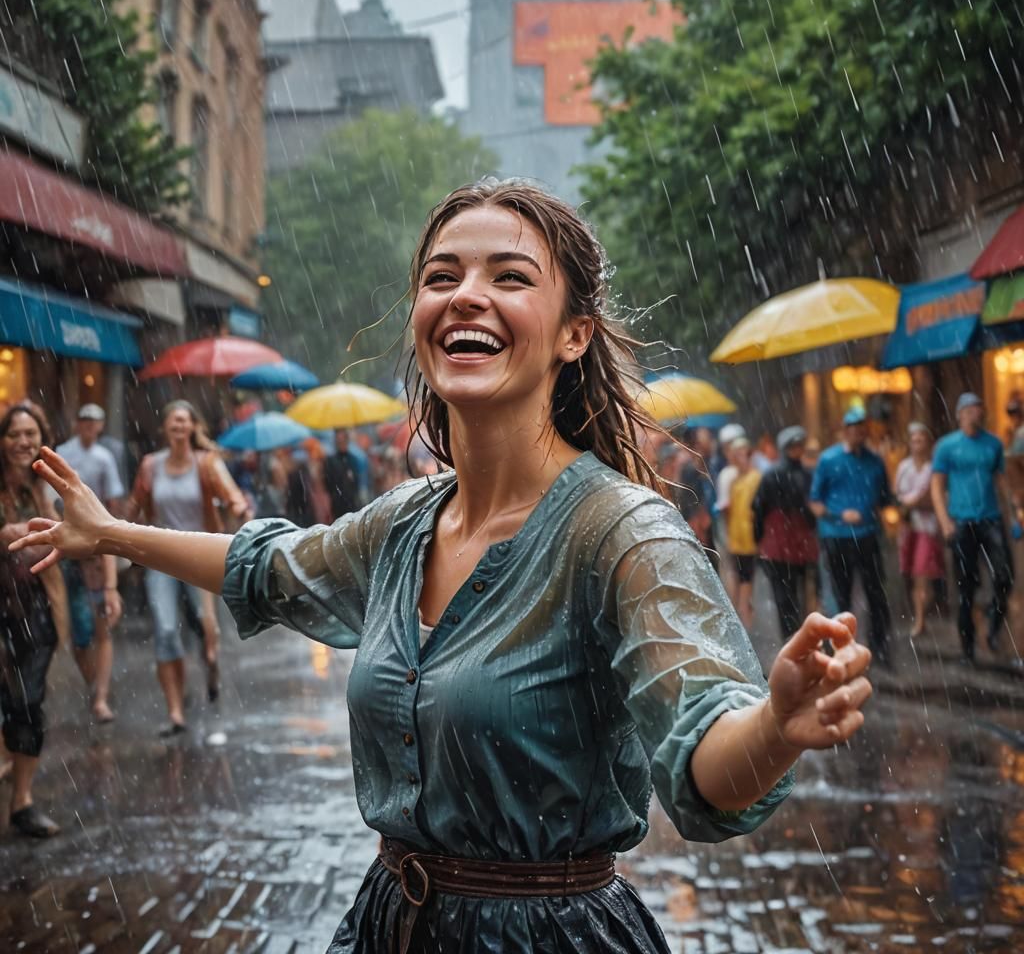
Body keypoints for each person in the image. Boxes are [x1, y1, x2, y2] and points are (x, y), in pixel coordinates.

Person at [16, 179, 873, 953]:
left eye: (509, 277)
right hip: (391, 925)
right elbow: (270, 565)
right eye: (442, 276)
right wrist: (114, 534)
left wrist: (772, 726)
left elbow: (705, 760)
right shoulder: (407, 521)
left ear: (574, 334)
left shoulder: (624, 532)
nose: (468, 295)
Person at [125, 401, 250, 733]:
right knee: (166, 631)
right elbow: (134, 507)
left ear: (193, 427)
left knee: (207, 629)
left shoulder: (206, 463)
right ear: (165, 428)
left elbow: (233, 495)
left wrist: (240, 509)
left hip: (199, 555)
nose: (179, 426)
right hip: (160, 559)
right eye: (173, 421)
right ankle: (175, 712)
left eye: (184, 421)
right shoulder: (151, 466)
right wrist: (116, 538)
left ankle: (211, 664)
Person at [0, 404, 67, 837]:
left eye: (31, 433)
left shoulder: (51, 485)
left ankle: (22, 802)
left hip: (37, 610)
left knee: (28, 703)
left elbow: (69, 545)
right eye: (14, 434)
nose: (23, 441)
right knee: (9, 703)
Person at [931, 392, 1021, 663]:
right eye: (969, 410)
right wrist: (945, 521)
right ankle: (967, 648)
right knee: (965, 586)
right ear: (959, 414)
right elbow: (936, 486)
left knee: (1005, 575)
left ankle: (993, 627)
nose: (975, 414)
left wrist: (1016, 511)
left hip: (991, 518)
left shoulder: (992, 444)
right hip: (961, 521)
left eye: (978, 409)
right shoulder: (946, 446)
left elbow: (1002, 481)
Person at [810, 408, 895, 664]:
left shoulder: (875, 460)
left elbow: (885, 497)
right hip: (837, 536)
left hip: (868, 534)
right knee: (841, 593)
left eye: (862, 427)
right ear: (844, 430)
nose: (858, 432)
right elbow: (815, 501)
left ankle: (879, 649)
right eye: (853, 427)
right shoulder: (828, 459)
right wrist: (838, 515)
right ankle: (841, 646)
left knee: (875, 593)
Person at [56, 404, 124, 722]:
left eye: (93, 422)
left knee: (102, 627)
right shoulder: (63, 452)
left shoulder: (104, 458)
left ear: (99, 426)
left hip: (98, 546)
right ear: (77, 423)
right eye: (83, 421)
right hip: (68, 546)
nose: (88, 427)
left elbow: (112, 503)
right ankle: (93, 684)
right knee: (79, 634)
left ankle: (101, 697)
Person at [752, 426, 818, 639]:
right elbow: (759, 508)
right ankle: (793, 637)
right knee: (786, 593)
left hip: (794, 540)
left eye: (799, 445)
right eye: (794, 446)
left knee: (795, 592)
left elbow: (758, 508)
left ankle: (797, 636)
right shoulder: (776, 474)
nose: (797, 450)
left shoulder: (801, 474)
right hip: (781, 540)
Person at [893, 423, 943, 639]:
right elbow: (896, 493)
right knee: (911, 572)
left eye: (921, 440)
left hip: (927, 526)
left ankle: (921, 617)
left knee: (922, 572)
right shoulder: (904, 467)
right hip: (908, 526)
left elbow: (932, 497)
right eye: (913, 440)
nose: (917, 445)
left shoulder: (933, 468)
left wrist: (911, 502)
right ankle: (918, 612)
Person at [716, 437, 760, 628]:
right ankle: (742, 612)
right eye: (738, 455)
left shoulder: (756, 477)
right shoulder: (733, 478)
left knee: (746, 575)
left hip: (751, 535)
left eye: (745, 454)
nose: (741, 458)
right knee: (741, 574)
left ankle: (743, 612)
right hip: (737, 535)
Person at [325, 429, 362, 520]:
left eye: (343, 440)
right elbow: (328, 484)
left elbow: (356, 482)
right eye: (339, 441)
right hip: (337, 505)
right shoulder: (331, 461)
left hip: (351, 504)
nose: (341, 443)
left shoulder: (353, 459)